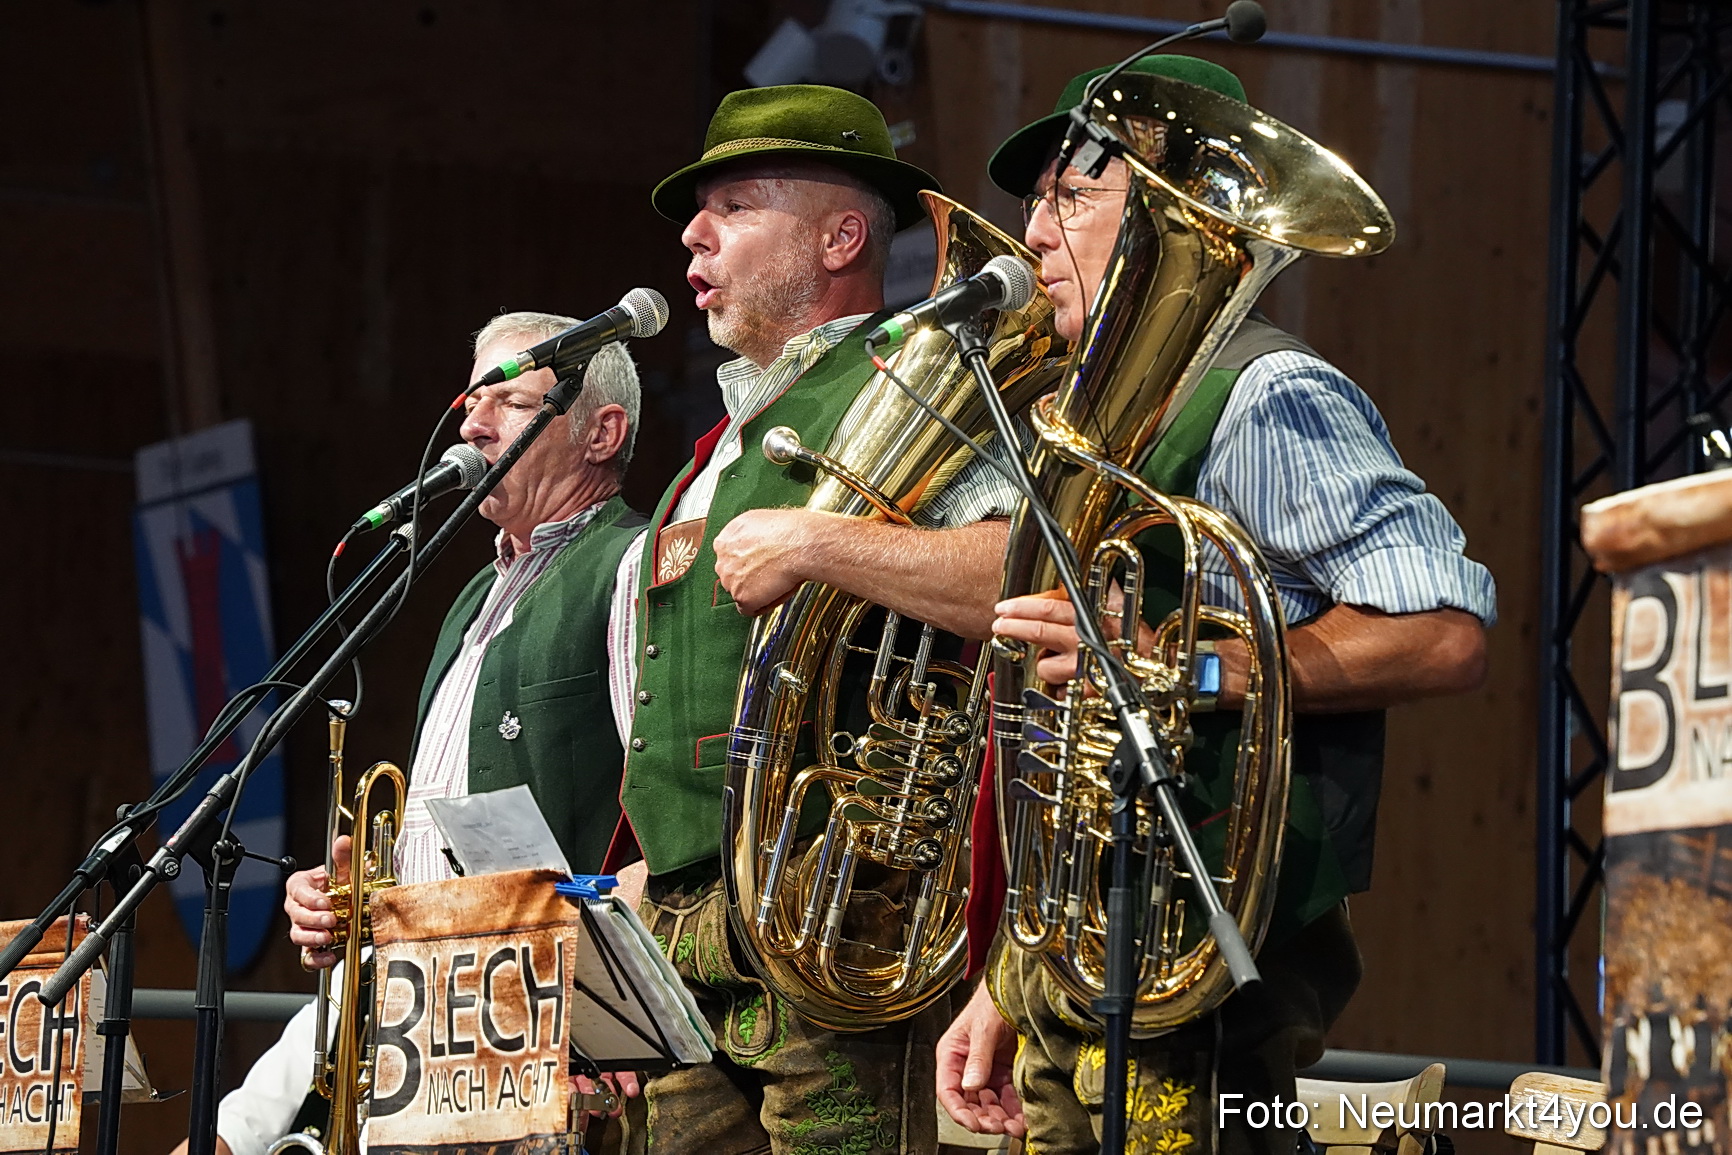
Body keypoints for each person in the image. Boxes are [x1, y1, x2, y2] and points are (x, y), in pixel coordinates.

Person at [933, 55, 1498, 1155]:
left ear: (1169, 211)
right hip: (1082, 961)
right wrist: (1011, 978)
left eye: (1069, 197)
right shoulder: (1089, 420)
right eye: (1031, 202)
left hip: (1205, 979)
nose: (1033, 233)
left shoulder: (1265, 387)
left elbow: (1442, 632)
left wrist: (1196, 667)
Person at [594, 84, 1024, 1155]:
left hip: (839, 922)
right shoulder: (716, 449)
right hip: (681, 939)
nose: (693, 233)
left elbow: (1024, 580)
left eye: (735, 205)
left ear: (840, 236)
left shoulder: (921, 389)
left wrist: (818, 543)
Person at [171, 313, 644, 1155]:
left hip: (541, 1043)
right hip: (426, 1029)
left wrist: (609, 994)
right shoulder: (469, 599)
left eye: (507, 400)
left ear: (602, 432)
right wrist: (366, 890)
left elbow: (660, 816)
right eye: (470, 400)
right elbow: (448, 825)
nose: (470, 422)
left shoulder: (628, 564)